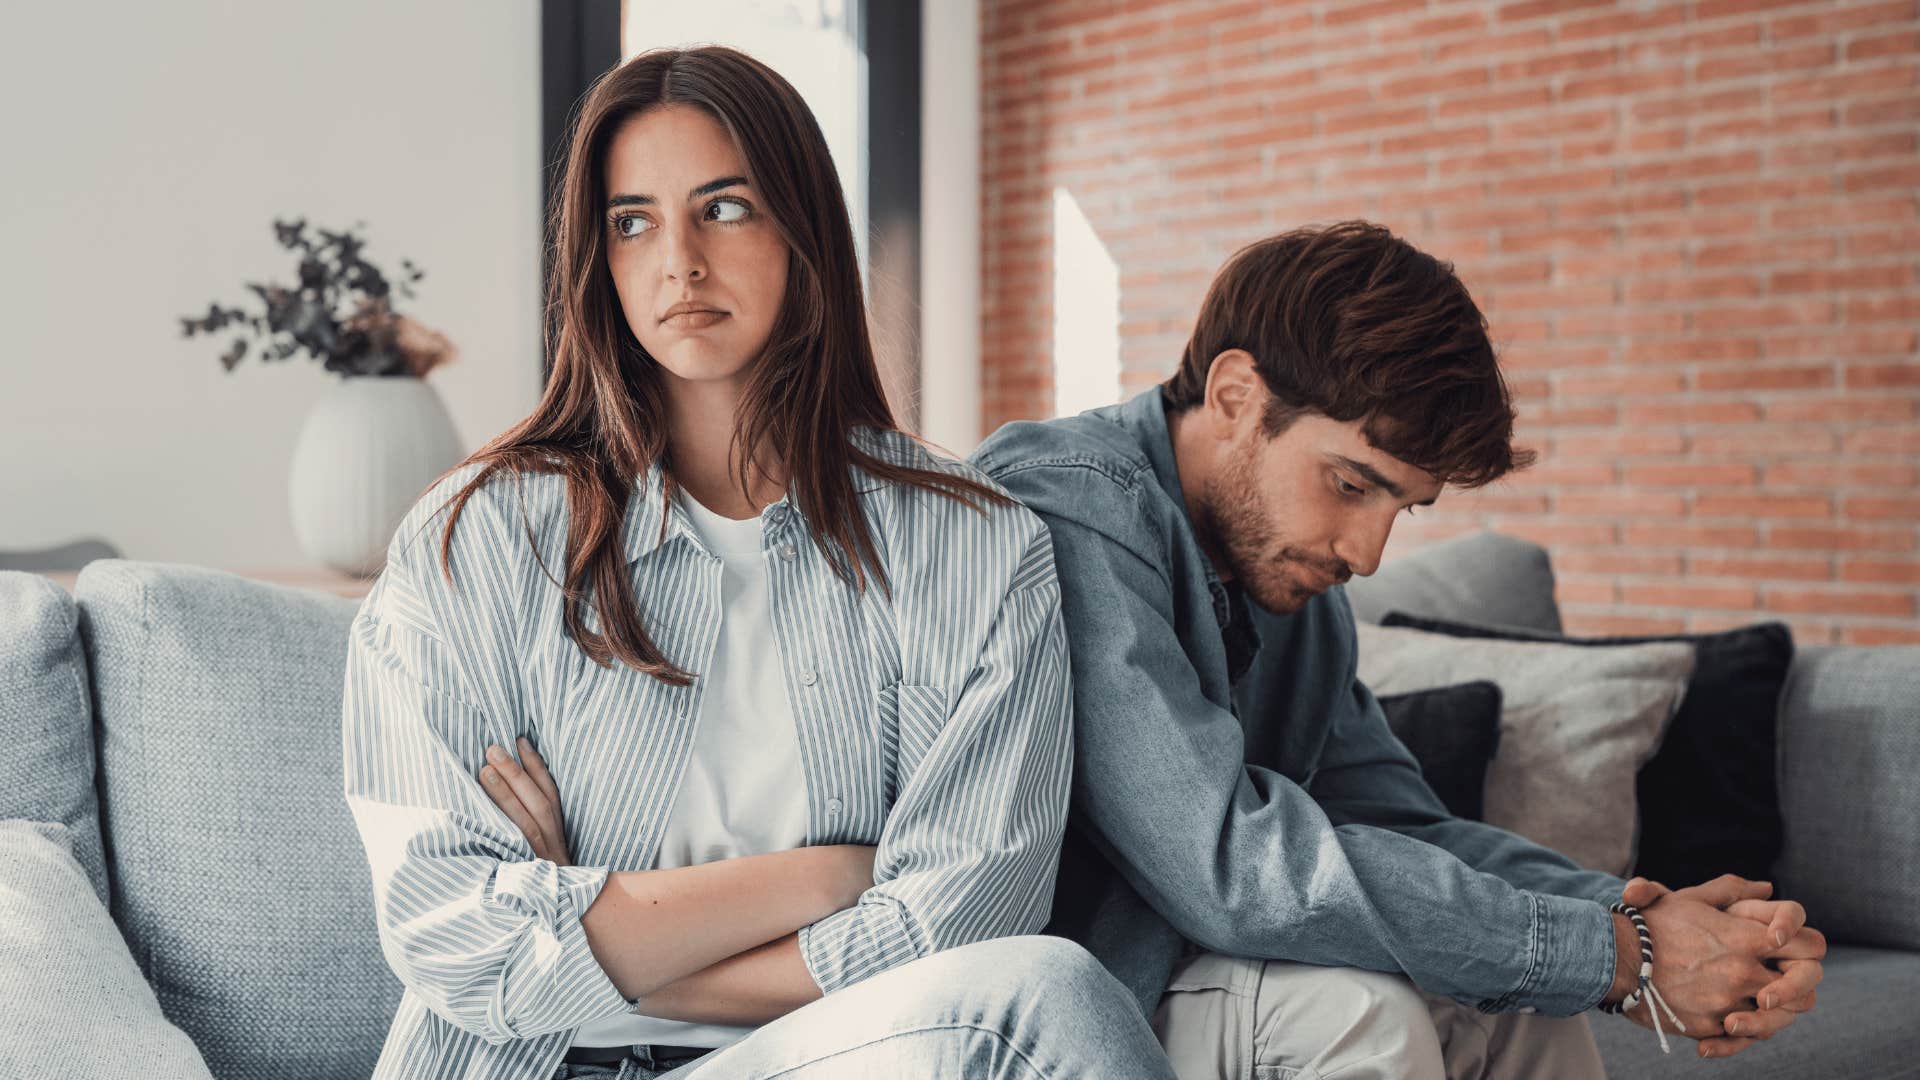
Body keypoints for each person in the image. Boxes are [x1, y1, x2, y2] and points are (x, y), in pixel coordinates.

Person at [341, 45, 1176, 1080]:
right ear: (596, 257)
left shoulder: (978, 546)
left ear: (801, 227)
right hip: (536, 1069)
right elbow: (453, 940)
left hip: (830, 1059)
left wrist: (595, 922)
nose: (678, 262)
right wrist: (829, 878)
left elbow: (964, 928)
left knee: (1045, 994)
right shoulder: (474, 541)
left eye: (724, 208)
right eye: (632, 221)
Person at [969, 221, 1828, 1079]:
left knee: (1532, 1011)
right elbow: (1225, 864)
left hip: (1204, 977)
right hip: (1069, 1011)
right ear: (1235, 396)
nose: (1367, 555)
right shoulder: (1074, 503)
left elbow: (1403, 825)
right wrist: (1617, 955)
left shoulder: (1296, 589)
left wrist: (1645, 922)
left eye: (1402, 508)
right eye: (1350, 484)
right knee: (1365, 1012)